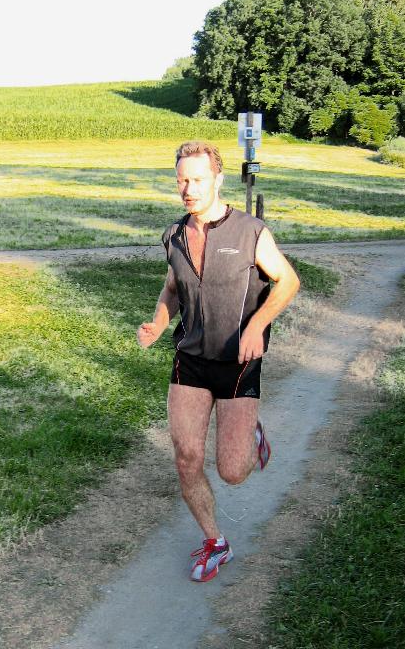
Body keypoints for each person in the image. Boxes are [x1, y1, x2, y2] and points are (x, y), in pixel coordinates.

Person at [137, 141, 300, 583]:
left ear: (218, 180)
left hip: (237, 361)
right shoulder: (174, 235)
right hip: (190, 360)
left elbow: (288, 281)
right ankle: (215, 541)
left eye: (197, 180)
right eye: (181, 180)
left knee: (232, 471)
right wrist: (158, 323)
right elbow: (173, 287)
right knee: (187, 457)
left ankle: (250, 433)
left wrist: (257, 325)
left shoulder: (250, 232)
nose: (188, 189)